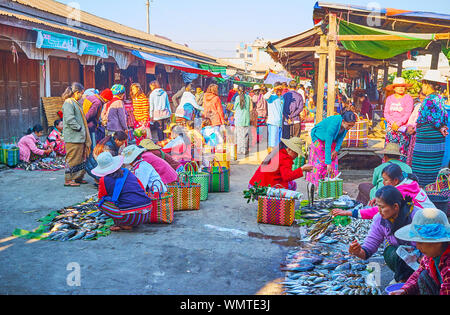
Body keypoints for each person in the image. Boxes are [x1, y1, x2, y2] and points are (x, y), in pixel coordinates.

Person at [349, 185, 418, 283]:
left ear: (395, 206)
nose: (379, 210)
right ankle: (402, 278)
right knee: (392, 252)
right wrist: (357, 251)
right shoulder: (379, 219)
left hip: (422, 258)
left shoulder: (416, 216)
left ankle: (410, 278)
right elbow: (368, 249)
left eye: (382, 207)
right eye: (378, 206)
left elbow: (428, 248)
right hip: (399, 258)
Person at [334, 163, 435, 219]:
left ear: (395, 180)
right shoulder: (408, 182)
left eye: (386, 180)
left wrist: (349, 213)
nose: (384, 183)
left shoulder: (401, 191)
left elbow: (377, 211)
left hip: (428, 222)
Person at [390, 208, 450, 295]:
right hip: (440, 287)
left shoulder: (448, 263)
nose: (417, 246)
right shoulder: (429, 257)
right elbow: (418, 273)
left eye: (421, 243)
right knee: (423, 275)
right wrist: (404, 290)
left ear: (438, 242)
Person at [94, 152, 153, 232]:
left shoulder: (103, 180)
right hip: (146, 213)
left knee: (100, 203)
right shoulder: (127, 172)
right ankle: (126, 222)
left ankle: (123, 224)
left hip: (129, 217)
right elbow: (141, 188)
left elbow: (101, 197)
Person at [411, 70, 449, 187]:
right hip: (431, 137)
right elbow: (442, 116)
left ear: (427, 84)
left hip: (428, 139)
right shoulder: (439, 98)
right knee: (430, 167)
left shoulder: (430, 99)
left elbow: (433, 117)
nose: (422, 87)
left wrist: (439, 126)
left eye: (423, 84)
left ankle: (423, 191)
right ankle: (430, 189)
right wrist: (441, 126)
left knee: (422, 166)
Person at [306, 111, 357, 186]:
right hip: (319, 139)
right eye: (349, 125)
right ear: (343, 121)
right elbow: (328, 144)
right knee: (321, 163)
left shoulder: (345, 125)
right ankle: (318, 186)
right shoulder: (334, 124)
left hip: (331, 140)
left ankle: (331, 186)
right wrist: (328, 163)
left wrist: (336, 150)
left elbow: (341, 138)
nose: (350, 128)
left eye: (352, 126)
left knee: (333, 161)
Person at [249, 137, 313, 190]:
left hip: (254, 185)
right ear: (289, 149)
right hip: (261, 188)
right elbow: (287, 177)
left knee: (289, 183)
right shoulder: (285, 158)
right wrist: (302, 169)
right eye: (296, 152)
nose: (297, 155)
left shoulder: (277, 152)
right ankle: (282, 204)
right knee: (292, 184)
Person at [62, 82, 91, 187]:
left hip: (78, 137)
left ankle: (78, 178)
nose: (82, 96)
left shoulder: (75, 102)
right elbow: (70, 119)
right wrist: (79, 128)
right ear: (76, 92)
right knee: (72, 159)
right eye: (81, 93)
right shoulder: (69, 102)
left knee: (79, 159)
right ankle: (69, 179)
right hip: (73, 137)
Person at [384, 77, 414, 163]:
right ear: (394, 88)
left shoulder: (408, 98)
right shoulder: (389, 98)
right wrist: (393, 123)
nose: (400, 88)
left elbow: (408, 113)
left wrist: (398, 123)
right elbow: (386, 113)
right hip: (391, 129)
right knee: (389, 151)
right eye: (398, 86)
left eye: (402, 86)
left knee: (402, 152)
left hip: (403, 130)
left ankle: (401, 170)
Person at [406, 91, 427, 166]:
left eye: (423, 95)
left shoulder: (428, 107)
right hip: (414, 134)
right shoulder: (418, 106)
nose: (421, 97)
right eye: (420, 95)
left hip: (421, 133)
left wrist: (414, 128)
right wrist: (410, 126)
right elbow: (412, 118)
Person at [264, 82, 284, 153]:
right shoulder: (271, 97)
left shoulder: (282, 98)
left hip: (280, 124)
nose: (280, 91)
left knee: (278, 144)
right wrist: (273, 89)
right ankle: (270, 159)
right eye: (278, 89)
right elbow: (265, 96)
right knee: (272, 144)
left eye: (281, 89)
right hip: (273, 123)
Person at [234, 85, 252, 155]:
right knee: (245, 135)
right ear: (245, 90)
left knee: (239, 135)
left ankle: (239, 150)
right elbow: (250, 108)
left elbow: (235, 107)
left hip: (239, 119)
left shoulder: (237, 98)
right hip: (246, 118)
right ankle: (245, 150)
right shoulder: (248, 97)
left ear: (238, 91)